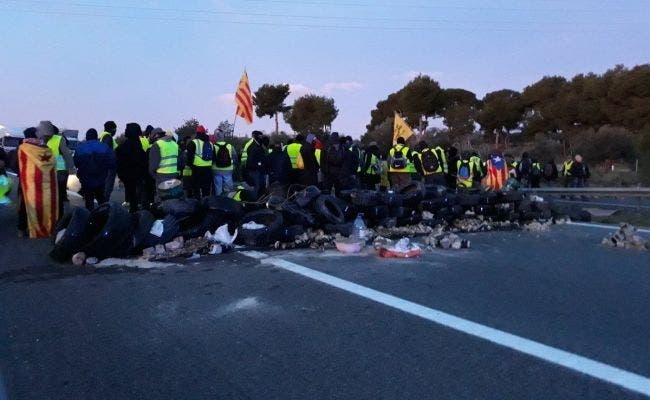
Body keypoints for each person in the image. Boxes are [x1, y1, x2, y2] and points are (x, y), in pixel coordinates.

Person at [17, 126, 59, 238]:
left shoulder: (21, 147)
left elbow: (16, 164)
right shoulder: (44, 148)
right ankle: (41, 227)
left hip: (25, 181)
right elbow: (52, 162)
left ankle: (21, 229)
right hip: (42, 182)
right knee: (42, 204)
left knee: (25, 205)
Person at [74, 128, 116, 210]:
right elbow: (112, 161)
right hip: (100, 178)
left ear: (86, 137)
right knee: (101, 198)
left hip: (86, 179)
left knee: (89, 200)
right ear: (96, 137)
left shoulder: (80, 148)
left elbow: (76, 163)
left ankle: (90, 218)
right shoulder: (104, 147)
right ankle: (104, 215)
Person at [40, 122, 74, 218]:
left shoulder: (43, 140)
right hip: (60, 171)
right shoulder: (60, 139)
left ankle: (52, 214)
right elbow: (67, 155)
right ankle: (62, 215)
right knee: (61, 194)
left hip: (49, 171)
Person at [115, 123, 147, 212]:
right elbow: (143, 159)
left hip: (128, 174)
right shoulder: (137, 144)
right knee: (136, 194)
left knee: (132, 194)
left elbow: (119, 157)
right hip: (136, 174)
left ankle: (134, 212)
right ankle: (135, 210)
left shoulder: (126, 145)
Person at [186, 125, 213, 199]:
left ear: (197, 133)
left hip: (197, 168)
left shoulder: (193, 142)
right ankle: (206, 202)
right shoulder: (210, 143)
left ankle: (197, 203)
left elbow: (189, 157)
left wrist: (190, 165)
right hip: (208, 168)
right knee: (206, 188)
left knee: (196, 187)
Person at [212, 129, 238, 196]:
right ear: (223, 137)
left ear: (216, 137)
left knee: (218, 187)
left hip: (216, 170)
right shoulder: (230, 146)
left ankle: (219, 202)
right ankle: (228, 201)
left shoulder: (213, 146)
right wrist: (234, 167)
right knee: (228, 188)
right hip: (228, 169)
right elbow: (235, 158)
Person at [242, 130, 266, 198]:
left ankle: (258, 200)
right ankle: (254, 202)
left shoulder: (257, 144)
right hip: (253, 170)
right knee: (255, 186)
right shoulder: (252, 145)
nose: (261, 138)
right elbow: (251, 159)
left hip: (257, 169)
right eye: (260, 136)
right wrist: (259, 164)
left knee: (259, 186)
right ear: (255, 136)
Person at [100, 121, 118, 200]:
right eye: (115, 129)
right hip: (108, 166)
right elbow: (108, 151)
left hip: (103, 164)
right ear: (112, 129)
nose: (115, 131)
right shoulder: (108, 137)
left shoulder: (101, 135)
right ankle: (104, 202)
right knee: (108, 185)